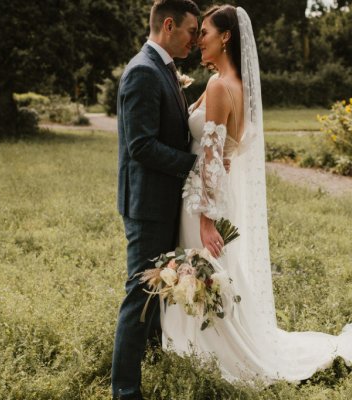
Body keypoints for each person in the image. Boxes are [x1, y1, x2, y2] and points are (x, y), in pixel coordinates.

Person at [160, 5, 352, 384]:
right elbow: (226, 157)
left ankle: (213, 352)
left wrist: (205, 221)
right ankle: (202, 345)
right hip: (216, 198)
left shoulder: (220, 86)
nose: (197, 39)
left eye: (204, 32)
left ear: (225, 37)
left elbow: (210, 159)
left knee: (206, 271)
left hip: (203, 203)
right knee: (219, 274)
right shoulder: (232, 84)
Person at [111, 1, 201, 399]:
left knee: (156, 290)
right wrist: (194, 164)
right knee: (140, 294)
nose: (196, 40)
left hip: (162, 201)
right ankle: (125, 391)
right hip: (146, 205)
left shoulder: (163, 69)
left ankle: (151, 358)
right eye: (191, 32)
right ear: (168, 25)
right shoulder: (144, 72)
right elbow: (141, 145)